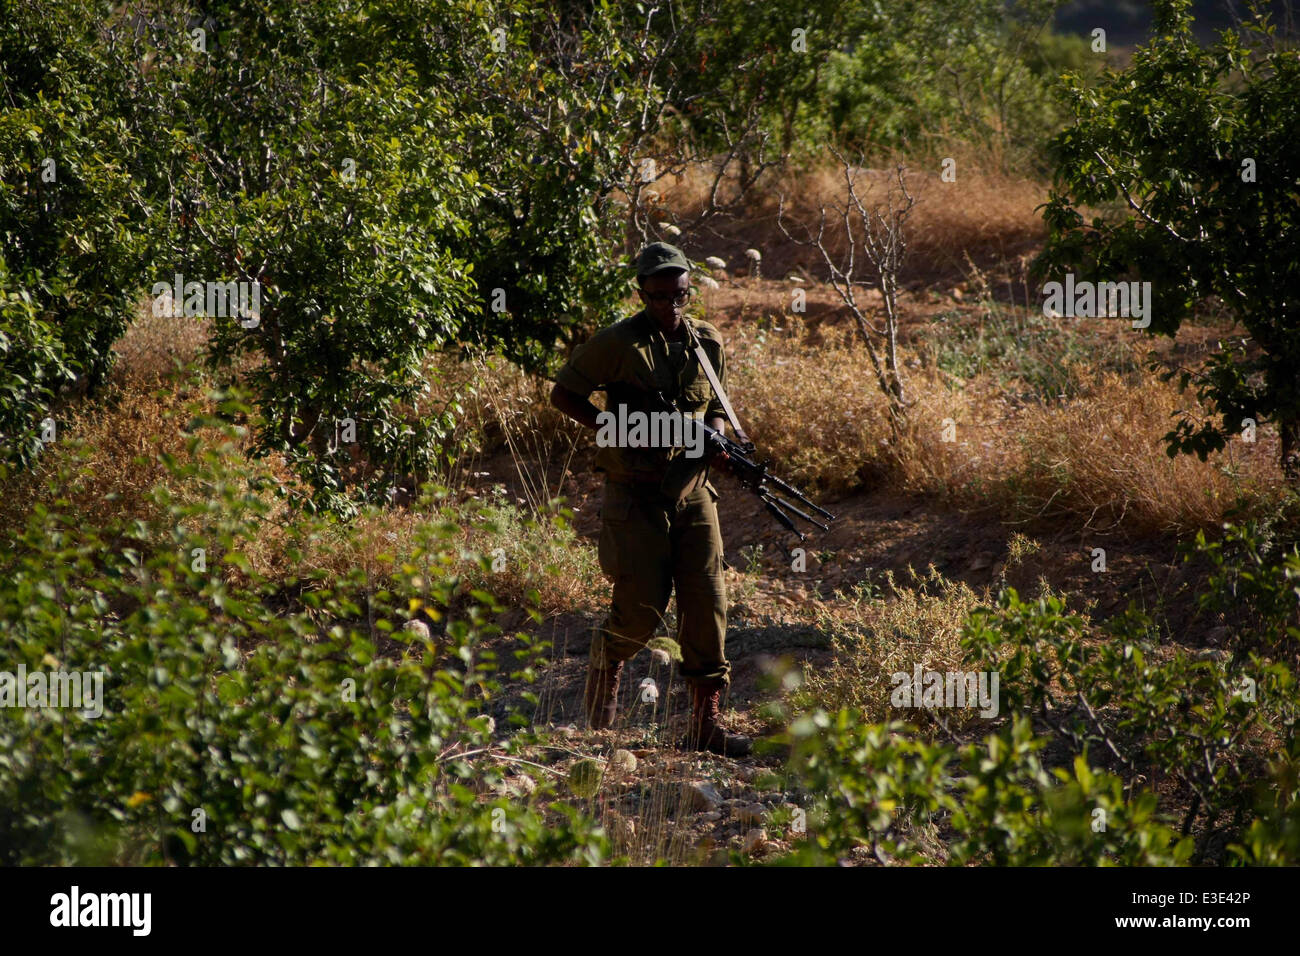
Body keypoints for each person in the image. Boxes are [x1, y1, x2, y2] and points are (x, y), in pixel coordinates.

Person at [550, 242, 752, 756]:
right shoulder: (618, 342)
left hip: (692, 494)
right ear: (642, 293)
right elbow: (564, 394)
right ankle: (605, 672)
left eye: (679, 294)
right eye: (659, 296)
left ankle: (704, 727)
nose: (671, 304)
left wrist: (718, 442)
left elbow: (717, 409)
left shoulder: (707, 342)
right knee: (639, 612)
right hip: (635, 494)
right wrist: (615, 427)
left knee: (707, 606)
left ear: (690, 289)